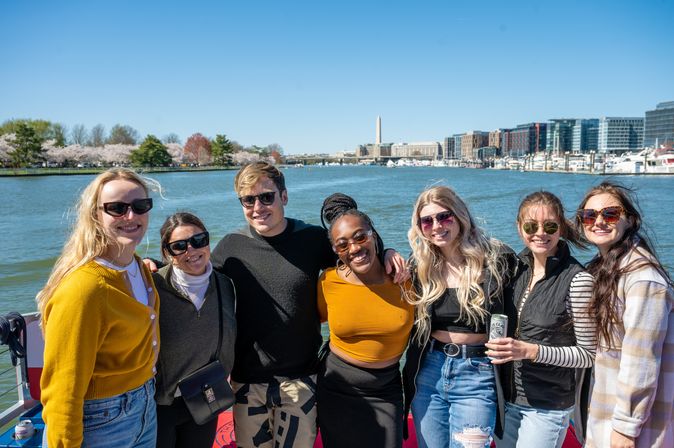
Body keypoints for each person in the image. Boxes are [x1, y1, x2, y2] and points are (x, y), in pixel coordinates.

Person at [208, 162, 406, 447]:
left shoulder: (312, 239)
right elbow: (194, 277)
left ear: (284, 197)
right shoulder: (230, 247)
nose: (258, 207)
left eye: (266, 197)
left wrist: (387, 250)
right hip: (247, 381)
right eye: (248, 200)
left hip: (301, 381)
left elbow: (356, 251)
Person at [37, 168, 159, 447]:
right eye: (117, 208)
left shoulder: (139, 269)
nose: (131, 216)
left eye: (140, 206)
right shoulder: (84, 289)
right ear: (95, 215)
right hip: (100, 420)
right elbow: (63, 389)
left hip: (144, 408)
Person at [403, 185, 519, 448]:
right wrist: (387, 253)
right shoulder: (420, 265)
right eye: (427, 220)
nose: (436, 226)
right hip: (430, 370)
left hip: (477, 374)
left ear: (460, 216)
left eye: (444, 216)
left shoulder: (497, 259)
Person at [486, 191, 596, 448]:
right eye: (530, 226)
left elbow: (588, 354)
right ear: (519, 227)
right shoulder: (514, 269)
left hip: (546, 406)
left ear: (561, 227)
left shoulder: (578, 281)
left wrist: (530, 351)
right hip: (507, 400)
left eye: (549, 226)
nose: (540, 233)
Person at [575, 181, 673, 448]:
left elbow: (640, 360)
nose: (598, 221)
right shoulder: (609, 270)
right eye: (589, 215)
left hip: (633, 427)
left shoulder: (643, 279)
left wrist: (626, 429)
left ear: (629, 220)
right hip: (605, 411)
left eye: (610, 214)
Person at [316, 193, 414, 447]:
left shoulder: (404, 278)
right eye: (343, 245)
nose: (355, 248)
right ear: (336, 250)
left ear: (373, 234)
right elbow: (306, 325)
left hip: (386, 389)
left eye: (361, 237)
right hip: (336, 386)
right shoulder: (328, 281)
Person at [153, 212, 236, 447]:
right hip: (161, 403)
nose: (192, 250)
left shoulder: (225, 284)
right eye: (179, 246)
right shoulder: (153, 287)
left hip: (206, 395)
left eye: (199, 240)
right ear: (167, 253)